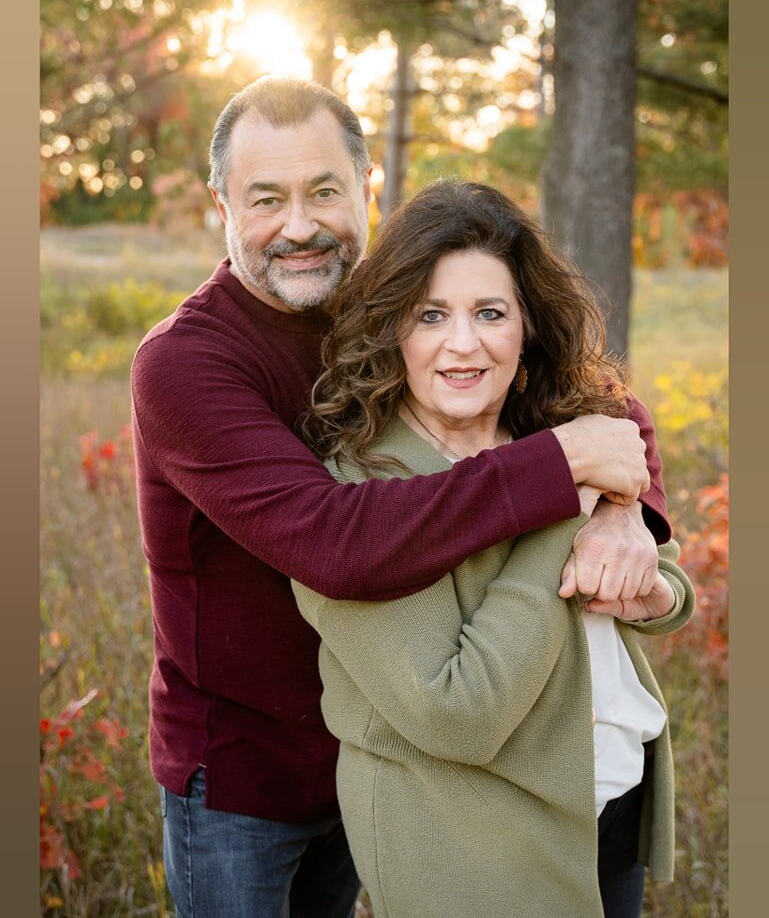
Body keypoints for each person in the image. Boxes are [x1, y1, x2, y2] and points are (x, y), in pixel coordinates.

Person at [131, 77, 669, 918]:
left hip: (390, 748)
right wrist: (565, 477)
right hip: (248, 767)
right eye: (265, 199)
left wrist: (621, 509)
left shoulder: (386, 301)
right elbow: (332, 542)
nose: (299, 226)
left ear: (366, 186)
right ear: (221, 204)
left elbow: (596, 404)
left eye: (324, 192)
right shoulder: (187, 363)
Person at [292, 179, 695, 918]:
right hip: (470, 844)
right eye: (430, 316)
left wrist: (647, 577)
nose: (463, 343)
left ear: (526, 327)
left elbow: (662, 591)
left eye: (489, 313)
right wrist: (566, 502)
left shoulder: (555, 428)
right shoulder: (360, 494)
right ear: (391, 329)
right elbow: (457, 714)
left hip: (606, 798)